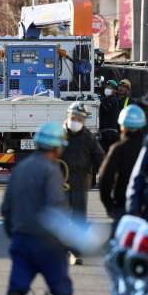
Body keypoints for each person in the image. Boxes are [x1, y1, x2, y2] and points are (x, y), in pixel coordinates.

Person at [0, 122, 77, 295]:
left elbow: (6, 208)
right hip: (47, 243)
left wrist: (13, 234)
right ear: (56, 148)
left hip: (22, 238)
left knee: (17, 286)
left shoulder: (21, 168)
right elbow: (56, 208)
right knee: (61, 287)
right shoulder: (51, 170)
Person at [61, 102, 105, 265]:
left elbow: (99, 156)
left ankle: (75, 252)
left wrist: (104, 174)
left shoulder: (88, 137)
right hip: (60, 184)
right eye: (74, 117)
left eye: (80, 118)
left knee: (78, 219)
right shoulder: (58, 135)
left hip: (80, 183)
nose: (76, 120)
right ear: (68, 116)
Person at [99, 105, 146, 236]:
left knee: (118, 246)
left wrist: (109, 206)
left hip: (122, 206)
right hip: (147, 209)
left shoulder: (118, 148)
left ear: (122, 125)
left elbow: (104, 179)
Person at [99, 79, 121, 152]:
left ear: (115, 91)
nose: (107, 89)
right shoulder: (106, 99)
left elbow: (106, 109)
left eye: (110, 88)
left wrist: (100, 102)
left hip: (110, 133)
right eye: (106, 87)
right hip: (105, 131)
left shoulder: (113, 100)